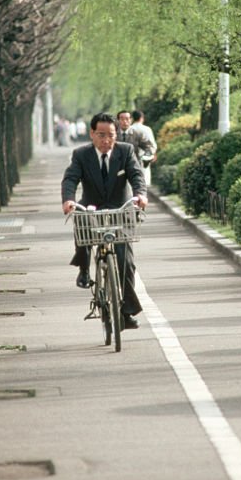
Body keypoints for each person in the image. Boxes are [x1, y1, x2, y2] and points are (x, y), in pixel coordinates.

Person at [62, 112, 149, 329]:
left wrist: (140, 195)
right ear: (92, 134)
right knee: (81, 225)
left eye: (111, 135)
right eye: (101, 135)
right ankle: (83, 268)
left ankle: (126, 312)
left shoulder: (125, 151)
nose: (106, 140)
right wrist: (69, 200)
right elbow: (71, 178)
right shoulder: (81, 154)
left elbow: (136, 175)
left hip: (120, 210)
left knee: (126, 262)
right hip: (92, 207)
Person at [129, 109, 158, 186]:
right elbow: (152, 145)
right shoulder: (147, 129)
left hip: (131, 157)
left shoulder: (129, 129)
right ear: (141, 118)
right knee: (143, 181)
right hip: (144, 157)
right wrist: (153, 154)